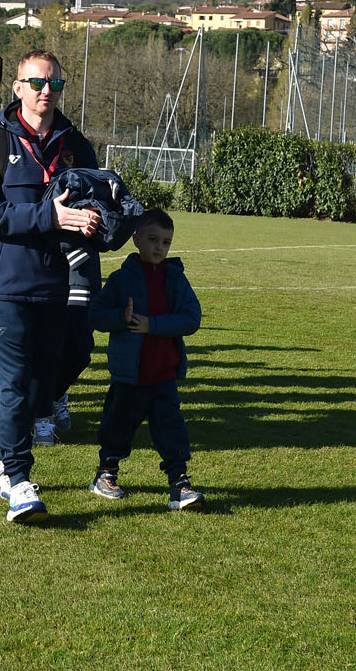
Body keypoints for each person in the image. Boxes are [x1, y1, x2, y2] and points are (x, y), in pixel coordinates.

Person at [0, 49, 100, 523]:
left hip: (60, 283)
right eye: (37, 83)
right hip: (7, 283)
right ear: (17, 87)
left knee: (44, 386)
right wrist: (48, 216)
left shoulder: (77, 145)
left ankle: (3, 465)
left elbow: (95, 204)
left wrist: (100, 220)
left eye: (55, 84)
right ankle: (19, 480)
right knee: (11, 384)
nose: (47, 91)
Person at [86, 210, 205, 510]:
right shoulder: (121, 279)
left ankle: (179, 485)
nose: (159, 247)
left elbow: (192, 318)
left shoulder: (175, 278)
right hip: (129, 375)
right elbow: (96, 314)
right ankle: (105, 474)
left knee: (171, 429)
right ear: (136, 239)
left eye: (166, 242)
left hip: (163, 374)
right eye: (153, 239)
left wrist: (153, 325)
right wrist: (120, 317)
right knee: (118, 425)